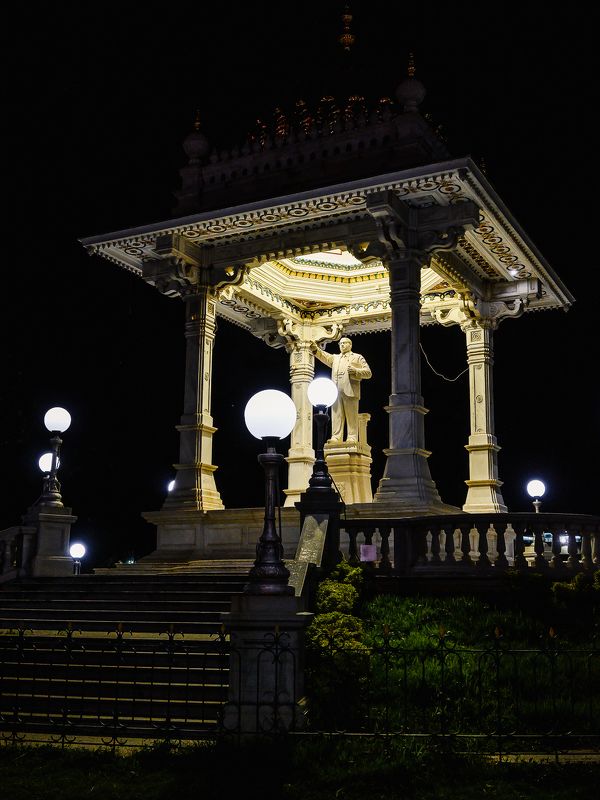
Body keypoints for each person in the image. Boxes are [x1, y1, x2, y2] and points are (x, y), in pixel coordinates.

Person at [310, 336, 372, 443]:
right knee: (336, 415)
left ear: (350, 345)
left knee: (351, 415)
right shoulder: (335, 358)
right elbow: (324, 356)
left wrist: (356, 371)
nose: (342, 345)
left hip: (350, 390)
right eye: (340, 344)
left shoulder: (357, 357)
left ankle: (352, 437)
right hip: (336, 390)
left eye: (344, 343)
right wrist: (316, 349)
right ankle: (336, 436)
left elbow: (368, 373)